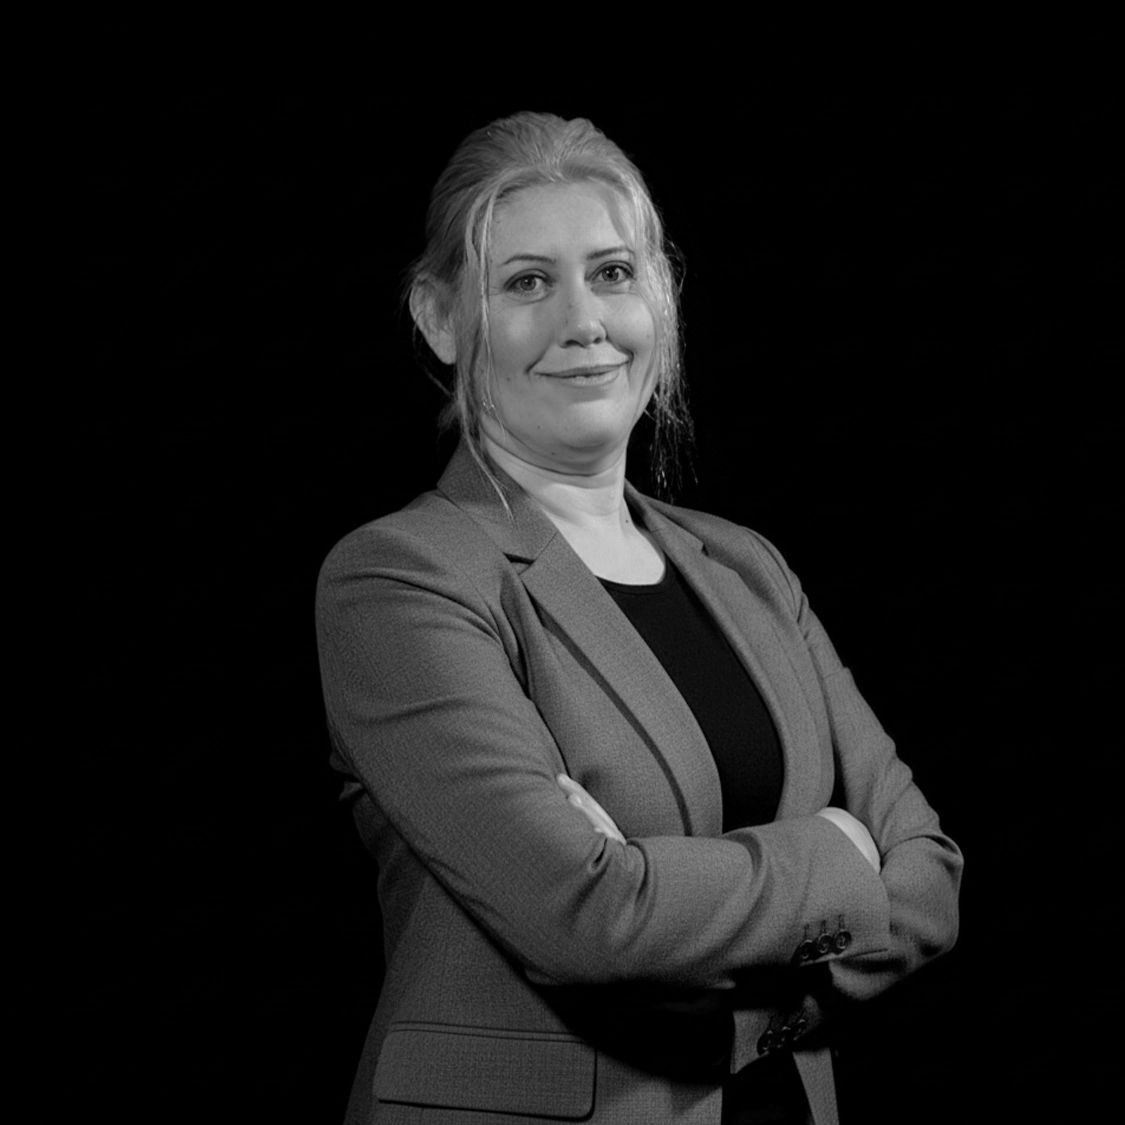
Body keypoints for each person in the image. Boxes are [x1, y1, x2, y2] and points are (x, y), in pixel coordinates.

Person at [315, 111, 962, 1125]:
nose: (584, 321)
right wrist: (842, 852)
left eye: (613, 272)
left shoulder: (746, 566)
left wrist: (673, 904)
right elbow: (588, 918)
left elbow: (931, 877)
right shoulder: (402, 579)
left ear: (658, 295)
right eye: (527, 283)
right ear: (440, 318)